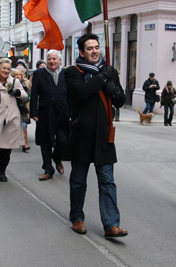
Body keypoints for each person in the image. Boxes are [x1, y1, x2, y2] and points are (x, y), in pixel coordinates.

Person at [63, 34, 128, 238]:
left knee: (107, 181)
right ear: (81, 52)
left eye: (97, 47)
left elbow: (120, 101)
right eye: (89, 48)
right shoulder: (73, 72)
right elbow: (82, 93)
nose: (95, 51)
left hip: (104, 137)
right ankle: (77, 218)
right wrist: (102, 79)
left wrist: (112, 87)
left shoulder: (109, 72)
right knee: (79, 181)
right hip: (81, 136)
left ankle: (111, 225)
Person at [0, 58, 27, 182]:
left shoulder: (14, 81)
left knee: (6, 148)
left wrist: (18, 92)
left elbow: (25, 96)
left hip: (11, 118)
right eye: (4, 68)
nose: (6, 71)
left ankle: (2, 171)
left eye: (8, 69)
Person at [30, 49, 70, 181]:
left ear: (60, 61)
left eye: (54, 59)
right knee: (45, 141)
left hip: (62, 113)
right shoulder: (39, 74)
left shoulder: (66, 74)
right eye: (49, 59)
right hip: (45, 112)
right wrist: (33, 112)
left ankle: (57, 158)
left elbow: (70, 94)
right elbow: (34, 93)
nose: (52, 61)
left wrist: (72, 112)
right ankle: (48, 169)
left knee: (63, 140)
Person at [12, 66, 32, 152]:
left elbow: (28, 96)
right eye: (16, 75)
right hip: (13, 107)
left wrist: (28, 110)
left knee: (24, 126)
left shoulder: (25, 84)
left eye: (19, 75)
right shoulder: (10, 83)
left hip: (22, 107)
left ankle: (25, 144)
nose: (18, 76)